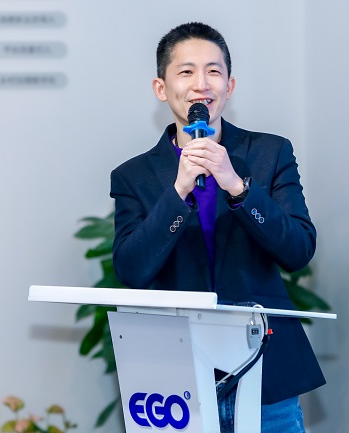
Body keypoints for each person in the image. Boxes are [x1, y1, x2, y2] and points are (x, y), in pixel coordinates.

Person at [110, 22, 325, 433]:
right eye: (186, 71)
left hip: (264, 373)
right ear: (161, 88)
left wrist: (238, 187)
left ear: (230, 85)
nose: (201, 84)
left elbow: (298, 250)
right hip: (175, 381)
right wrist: (178, 192)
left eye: (213, 71)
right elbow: (131, 269)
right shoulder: (134, 176)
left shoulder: (269, 152)